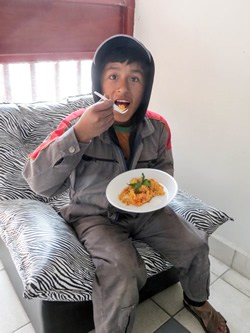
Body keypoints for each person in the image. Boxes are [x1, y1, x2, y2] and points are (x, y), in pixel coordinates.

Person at [23, 34, 230, 333]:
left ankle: (197, 302)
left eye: (135, 78)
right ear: (99, 81)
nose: (123, 87)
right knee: (123, 271)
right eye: (113, 75)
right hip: (95, 216)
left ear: (145, 88)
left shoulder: (158, 127)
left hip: (147, 211)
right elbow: (36, 181)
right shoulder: (76, 123)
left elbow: (164, 174)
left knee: (196, 244)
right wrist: (79, 134)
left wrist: (154, 196)